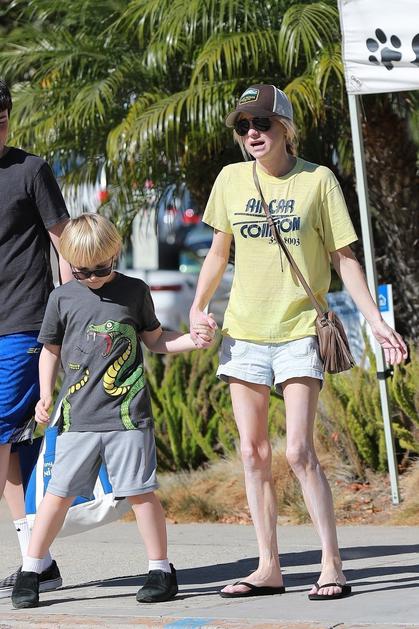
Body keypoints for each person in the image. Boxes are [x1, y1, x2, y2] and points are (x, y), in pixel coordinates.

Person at [189, 84, 408, 601]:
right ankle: (269, 567)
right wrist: (199, 306)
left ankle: (332, 564)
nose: (252, 133)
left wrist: (376, 321)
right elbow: (218, 252)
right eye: (244, 126)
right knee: (252, 452)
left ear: (285, 127)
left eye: (262, 123)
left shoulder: (318, 180)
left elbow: (343, 258)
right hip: (244, 331)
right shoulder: (230, 179)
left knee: (298, 450)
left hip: (300, 329)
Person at [11, 213, 216, 609]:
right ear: (69, 263)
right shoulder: (62, 298)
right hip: (76, 418)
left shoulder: (135, 291)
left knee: (140, 493)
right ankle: (32, 568)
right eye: (82, 271)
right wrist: (45, 394)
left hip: (128, 416)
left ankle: (160, 569)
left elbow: (156, 340)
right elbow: (50, 349)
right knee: (57, 495)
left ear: (115, 255)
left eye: (101, 269)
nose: (93, 278)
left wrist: (193, 340)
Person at [0, 78, 72, 598]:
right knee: (14, 449)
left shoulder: (31, 170)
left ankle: (36, 559)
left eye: (2, 119)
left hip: (24, 323)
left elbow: (63, 243)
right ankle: (37, 558)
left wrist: (73, 314)